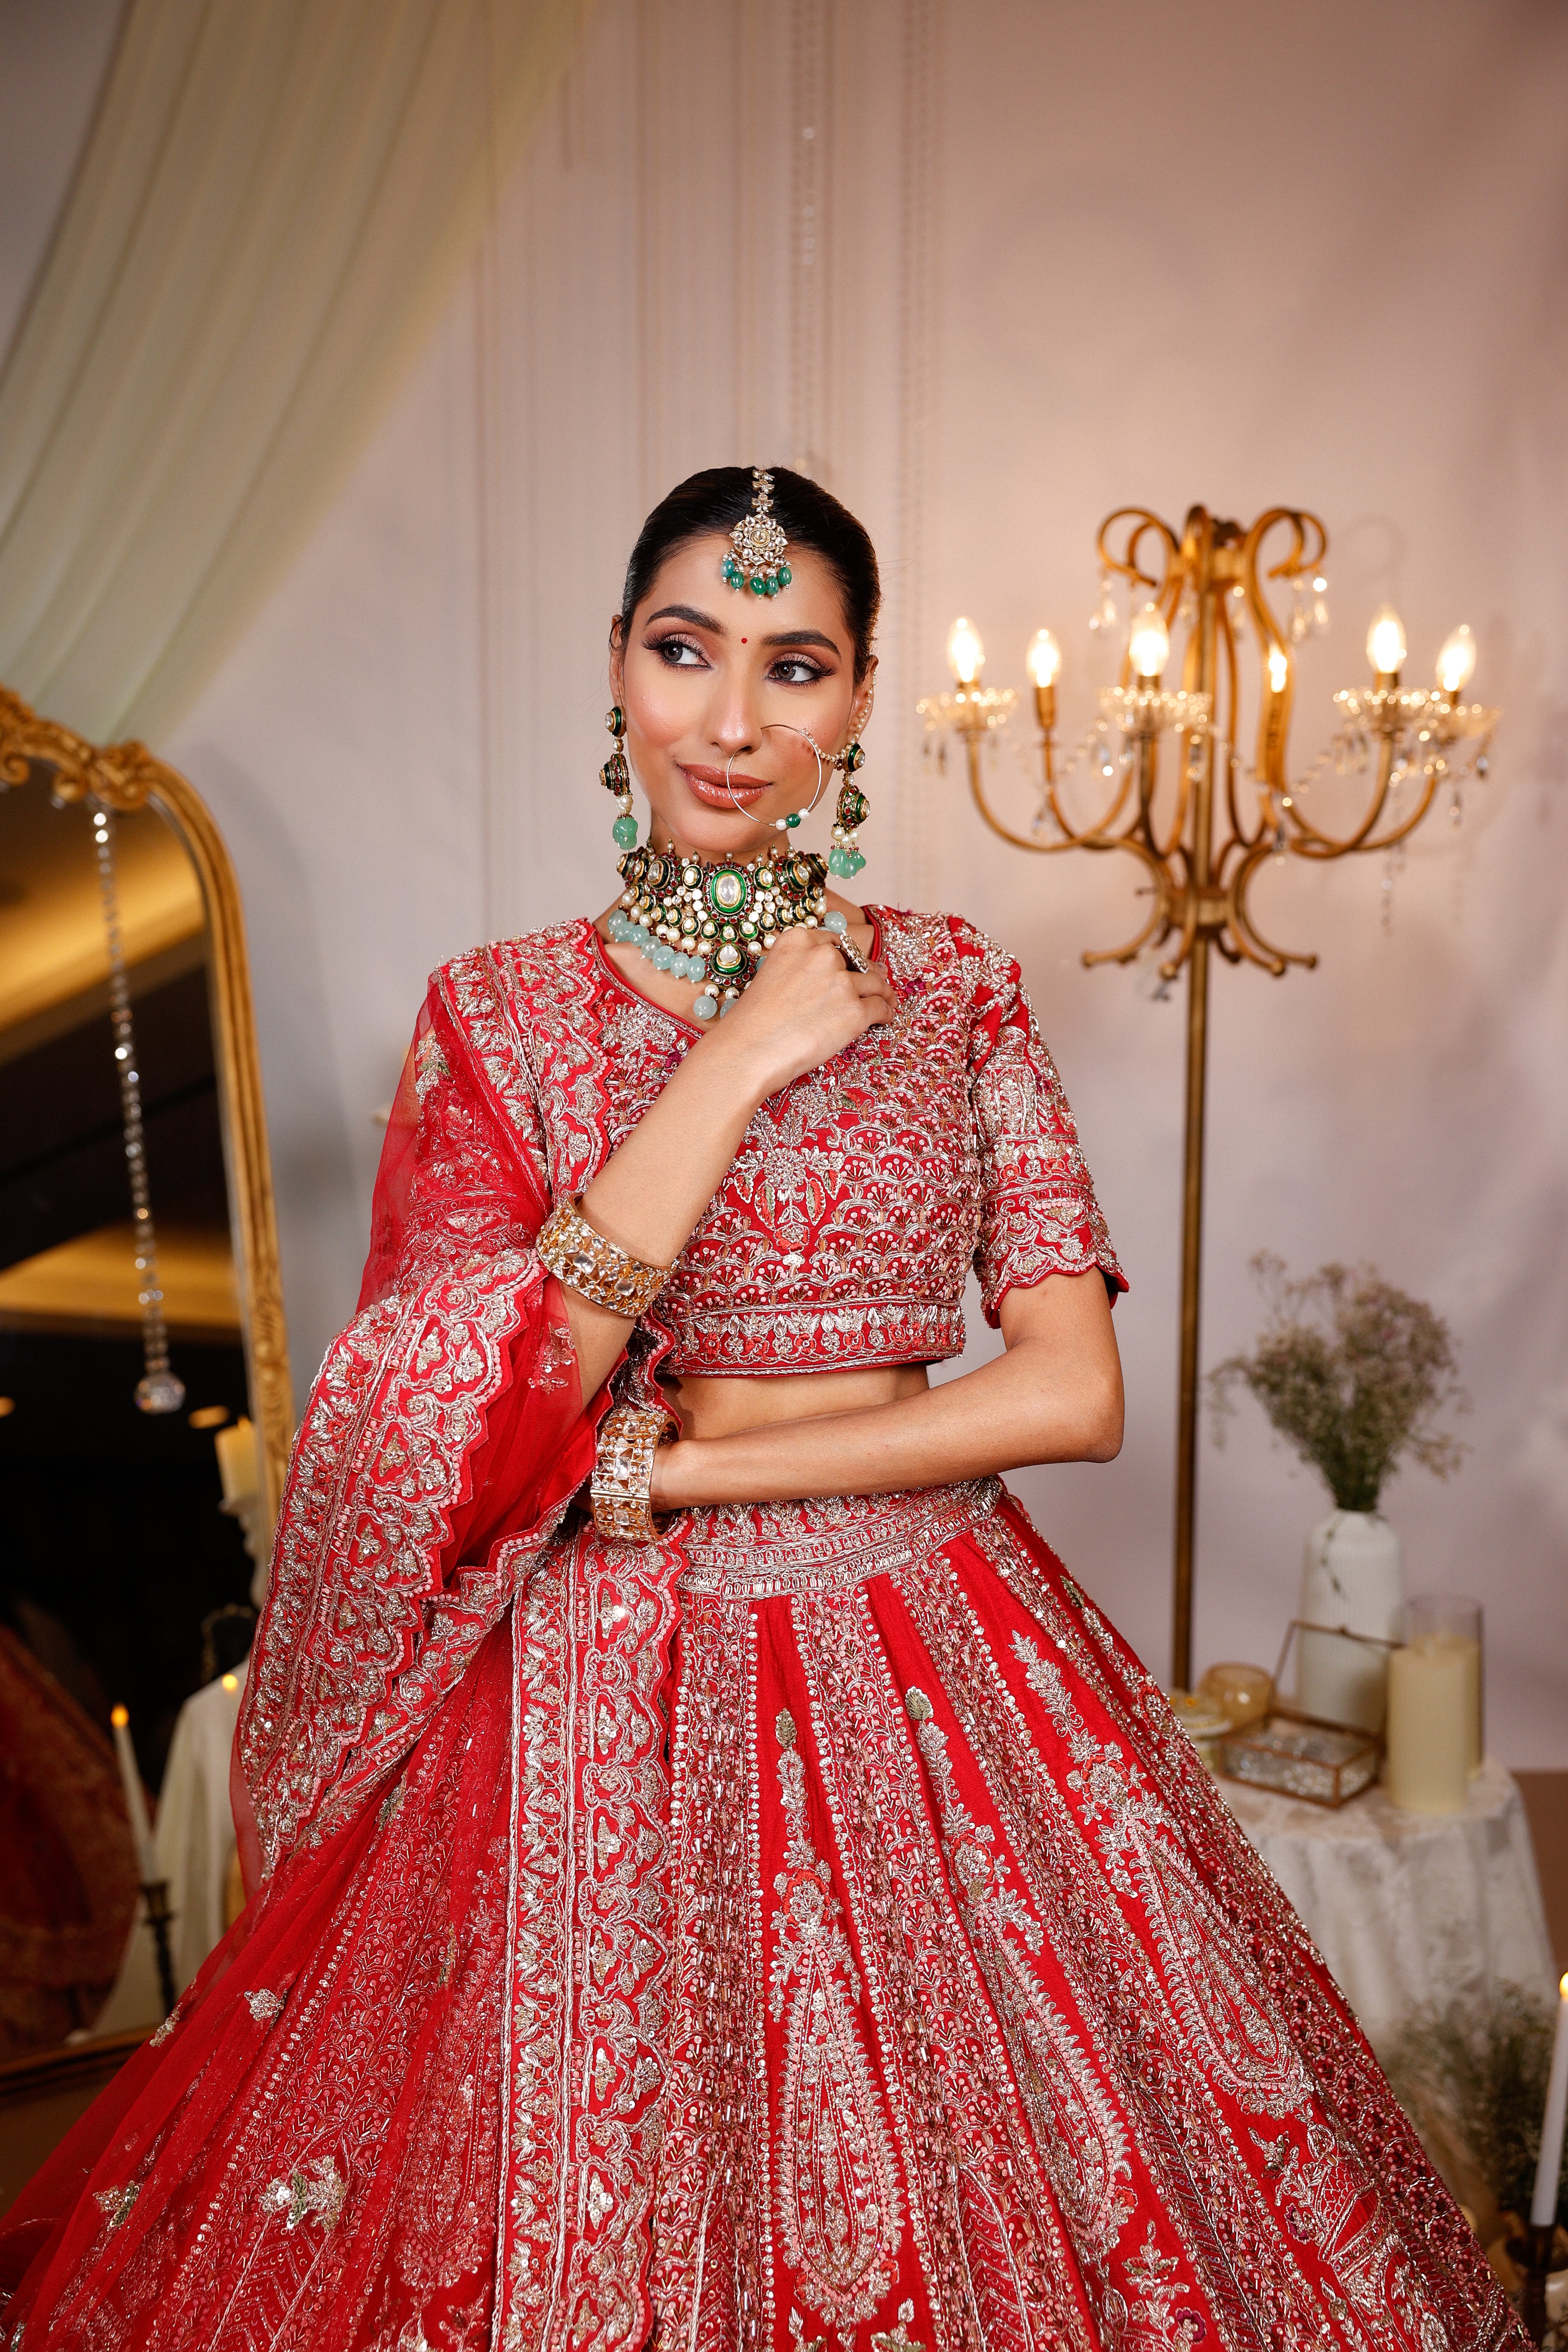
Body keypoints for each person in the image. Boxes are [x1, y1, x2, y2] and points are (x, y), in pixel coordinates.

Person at [0, 468, 1520, 2352]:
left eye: (794, 665)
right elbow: (468, 1404)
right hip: (592, 1692)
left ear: (862, 698)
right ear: (616, 666)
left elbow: (1073, 1393)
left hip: (934, 1636)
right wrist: (733, 1058)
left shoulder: (956, 989)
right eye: (686, 649)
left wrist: (692, 1467)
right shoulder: (498, 1016)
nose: (732, 719)